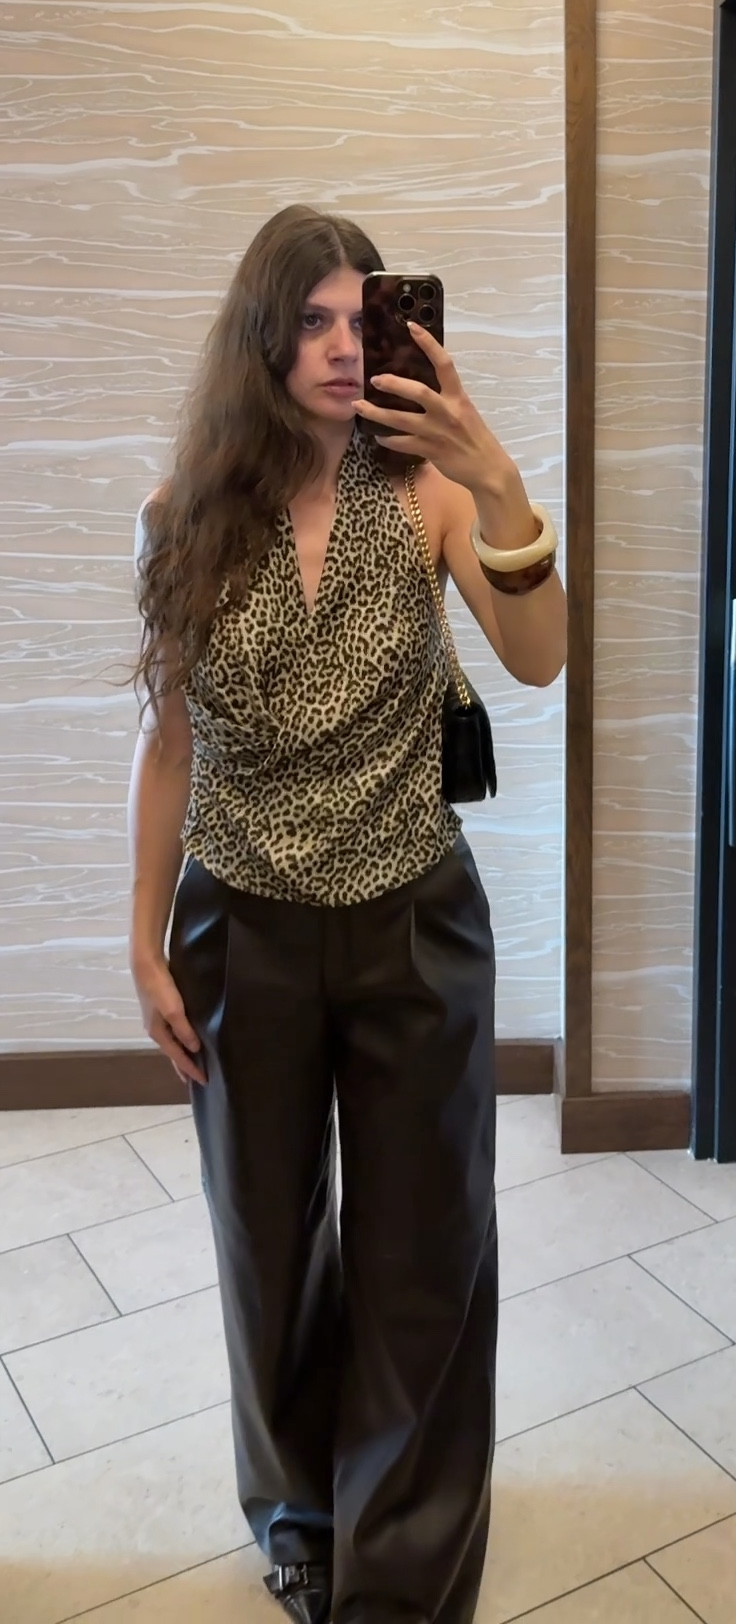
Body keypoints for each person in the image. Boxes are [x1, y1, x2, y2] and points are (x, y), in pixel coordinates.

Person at [127, 205, 567, 1624]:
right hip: (239, 927)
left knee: (423, 1250)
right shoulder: (187, 512)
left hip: (413, 924)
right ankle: (300, 1514)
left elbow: (541, 658)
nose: (336, 345)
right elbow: (170, 741)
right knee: (266, 1245)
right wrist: (142, 941)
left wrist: (499, 480)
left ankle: (404, 1570)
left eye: (358, 316)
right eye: (309, 319)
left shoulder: (431, 494)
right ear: (263, 337)